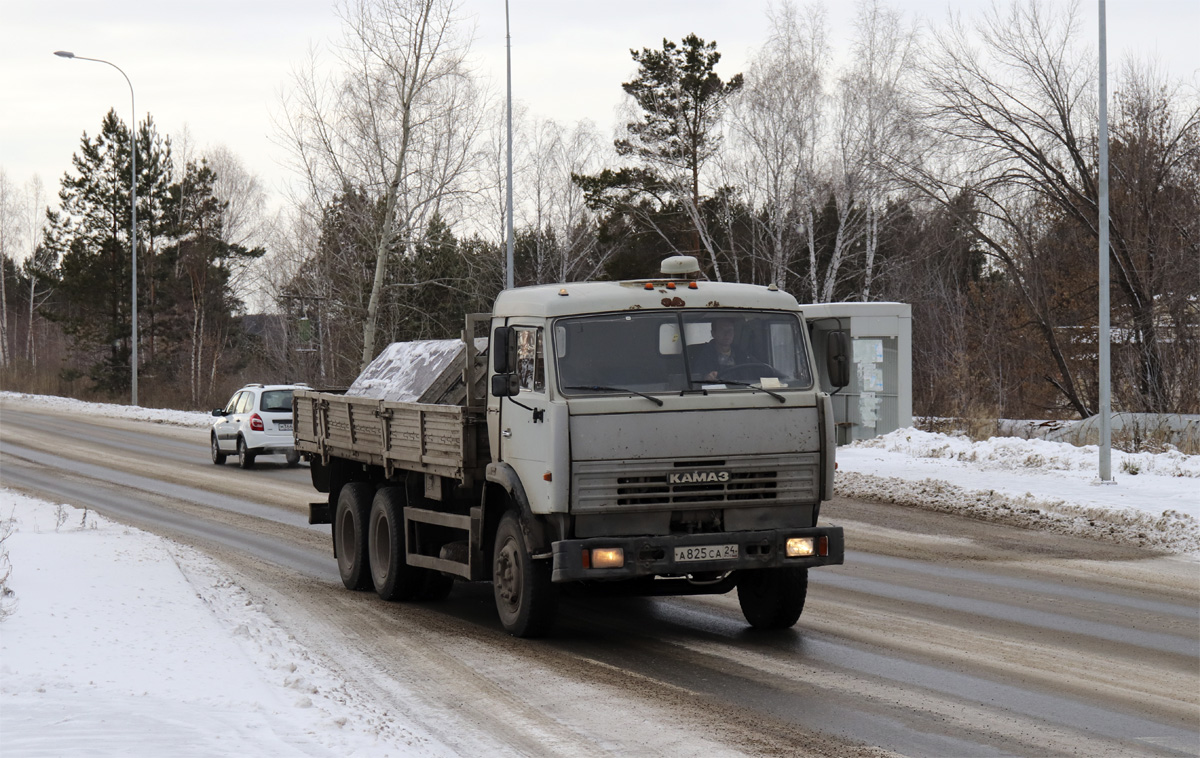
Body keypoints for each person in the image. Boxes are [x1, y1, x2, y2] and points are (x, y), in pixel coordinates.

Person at [688, 318, 754, 381]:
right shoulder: (702, 355)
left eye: (730, 330)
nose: (727, 334)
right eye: (722, 330)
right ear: (713, 334)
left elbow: (753, 378)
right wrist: (706, 378)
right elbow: (695, 378)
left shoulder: (743, 355)